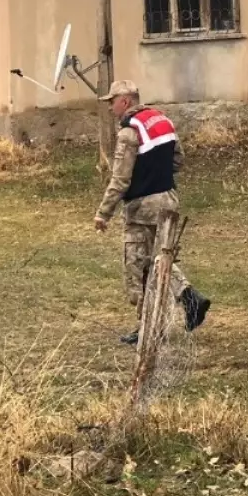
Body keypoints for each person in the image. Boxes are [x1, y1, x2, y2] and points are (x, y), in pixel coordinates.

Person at [94, 80, 210, 343]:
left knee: (138, 266)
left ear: (125, 101)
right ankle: (187, 300)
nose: (111, 108)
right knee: (161, 258)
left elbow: (120, 179)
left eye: (112, 102)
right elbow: (178, 159)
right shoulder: (162, 121)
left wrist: (103, 213)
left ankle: (151, 325)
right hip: (169, 200)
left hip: (143, 208)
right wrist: (158, 176)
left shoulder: (128, 132)